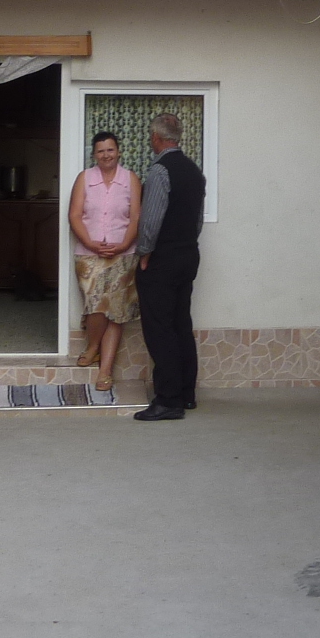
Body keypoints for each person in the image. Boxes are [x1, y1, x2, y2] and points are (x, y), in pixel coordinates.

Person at [132, 112, 203, 420]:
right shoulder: (194, 171)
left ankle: (168, 401)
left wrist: (144, 253)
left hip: (163, 259)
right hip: (188, 255)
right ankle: (186, 394)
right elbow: (197, 221)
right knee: (180, 324)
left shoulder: (160, 171)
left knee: (160, 329)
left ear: (156, 138)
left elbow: (151, 220)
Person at [68, 130, 142, 390]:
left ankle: (105, 371)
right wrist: (90, 243)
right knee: (96, 307)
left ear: (118, 152)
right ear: (94, 154)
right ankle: (93, 346)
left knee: (116, 313)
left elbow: (136, 217)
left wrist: (124, 244)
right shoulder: (84, 178)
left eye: (110, 149)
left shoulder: (130, 179)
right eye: (101, 151)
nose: (106, 155)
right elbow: (75, 215)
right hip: (89, 255)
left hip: (123, 256)